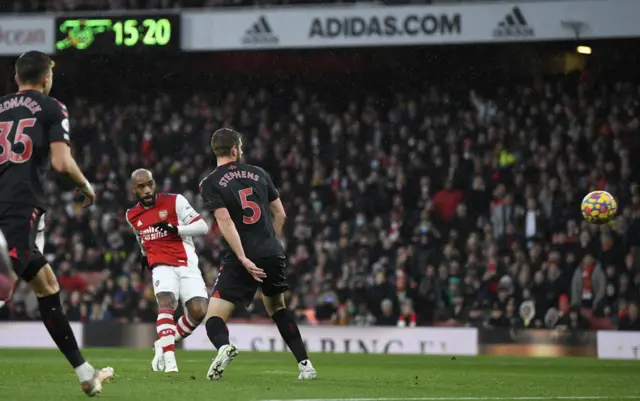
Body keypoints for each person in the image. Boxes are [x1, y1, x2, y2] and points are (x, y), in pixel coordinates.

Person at [0, 51, 113, 396]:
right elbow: (62, 162)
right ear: (46, 78)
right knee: (11, 289)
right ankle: (85, 373)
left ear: (17, 77)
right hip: (17, 208)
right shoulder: (52, 108)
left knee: (46, 285)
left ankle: (85, 372)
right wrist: (85, 185)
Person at [199, 128, 317, 381]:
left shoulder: (209, 182)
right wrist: (268, 242)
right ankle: (306, 365)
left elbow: (224, 220)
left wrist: (243, 257)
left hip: (241, 255)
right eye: (240, 146)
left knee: (214, 316)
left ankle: (223, 347)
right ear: (234, 149)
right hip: (272, 251)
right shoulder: (259, 173)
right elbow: (281, 214)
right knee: (277, 308)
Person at [126, 169, 209, 373]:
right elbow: (139, 236)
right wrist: (144, 254)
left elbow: (203, 227)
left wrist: (177, 229)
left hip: (186, 260)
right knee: (166, 300)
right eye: (141, 186)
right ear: (134, 190)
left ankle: (162, 344)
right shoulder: (132, 215)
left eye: (150, 184)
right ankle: (170, 361)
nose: (147, 190)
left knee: (199, 311)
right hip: (160, 264)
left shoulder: (175, 201)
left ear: (155, 184)